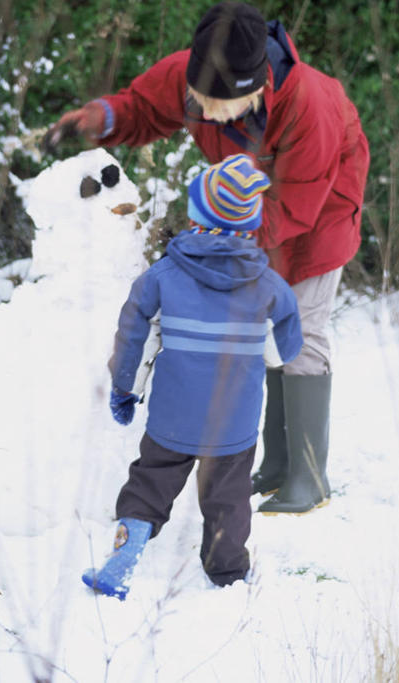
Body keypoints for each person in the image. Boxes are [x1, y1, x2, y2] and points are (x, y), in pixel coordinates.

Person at [46, 1, 370, 515]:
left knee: (300, 330)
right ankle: (278, 464)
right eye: (199, 101)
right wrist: (102, 117)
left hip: (319, 216)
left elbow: (294, 206)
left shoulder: (310, 105)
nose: (207, 113)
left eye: (220, 106)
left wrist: (218, 232)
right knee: (260, 333)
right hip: (245, 215)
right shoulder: (195, 75)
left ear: (257, 88)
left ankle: (310, 476)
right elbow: (144, 108)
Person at [81, 154, 303, 599]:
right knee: (228, 497)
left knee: (151, 481)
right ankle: (227, 574)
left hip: (172, 416)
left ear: (197, 215)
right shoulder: (269, 286)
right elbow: (281, 353)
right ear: (249, 222)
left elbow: (136, 338)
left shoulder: (161, 277)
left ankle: (127, 549)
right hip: (233, 422)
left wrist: (127, 389)